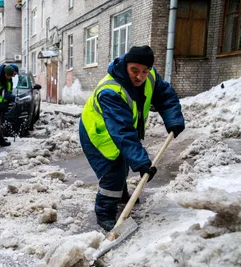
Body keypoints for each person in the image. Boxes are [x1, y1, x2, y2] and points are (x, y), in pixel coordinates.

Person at [79, 45, 185, 231]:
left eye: (145, 71)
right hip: (97, 133)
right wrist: (142, 163)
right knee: (113, 173)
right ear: (126, 65)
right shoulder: (111, 90)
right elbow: (123, 131)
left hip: (119, 131)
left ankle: (120, 195)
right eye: (134, 70)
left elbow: (166, 97)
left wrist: (174, 120)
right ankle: (105, 213)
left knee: (123, 163)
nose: (140, 76)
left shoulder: (150, 77)